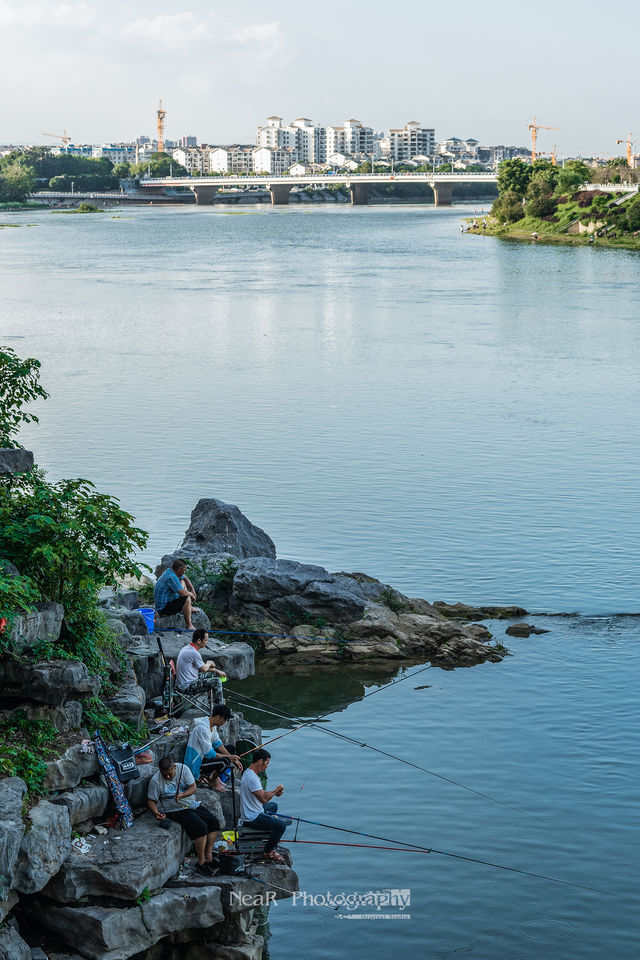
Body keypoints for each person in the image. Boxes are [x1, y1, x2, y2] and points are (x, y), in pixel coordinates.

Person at [147, 756, 220, 876]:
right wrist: (156, 812)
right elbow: (151, 800)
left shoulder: (183, 769)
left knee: (213, 822)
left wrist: (182, 795)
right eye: (165, 775)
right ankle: (201, 863)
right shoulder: (156, 781)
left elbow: (193, 787)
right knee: (200, 827)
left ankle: (209, 856)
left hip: (191, 804)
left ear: (174, 767)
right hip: (174, 809)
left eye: (170, 774)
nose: (168, 777)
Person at [240, 748, 288, 864]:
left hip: (254, 809)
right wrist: (276, 789)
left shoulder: (249, 773)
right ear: (260, 761)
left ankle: (272, 835)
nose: (267, 766)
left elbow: (261, 794)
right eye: (267, 763)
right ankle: (268, 850)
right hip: (252, 817)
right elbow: (264, 799)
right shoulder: (252, 778)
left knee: (273, 806)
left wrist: (274, 793)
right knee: (281, 825)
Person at [184, 704, 243, 792]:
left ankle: (214, 776)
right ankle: (213, 780)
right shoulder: (202, 729)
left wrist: (234, 759)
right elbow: (210, 753)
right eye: (224, 720)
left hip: (204, 756)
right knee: (224, 761)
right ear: (218, 717)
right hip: (197, 762)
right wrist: (230, 758)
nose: (225, 722)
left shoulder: (212, 726)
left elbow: (218, 744)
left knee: (230, 749)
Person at [175, 629, 227, 700]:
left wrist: (217, 671)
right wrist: (209, 662)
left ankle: (210, 700)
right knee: (216, 682)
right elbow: (204, 669)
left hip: (186, 682)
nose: (206, 642)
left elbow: (202, 667)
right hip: (187, 687)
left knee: (213, 675)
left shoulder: (187, 648)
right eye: (206, 640)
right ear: (199, 641)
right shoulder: (193, 653)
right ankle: (219, 707)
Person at [154, 559, 197, 630]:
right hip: (163, 609)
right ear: (179, 569)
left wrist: (192, 589)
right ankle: (189, 625)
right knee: (187, 598)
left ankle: (188, 607)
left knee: (182, 581)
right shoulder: (171, 577)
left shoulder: (170, 571)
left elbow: (185, 578)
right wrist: (192, 595)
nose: (185, 572)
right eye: (184, 570)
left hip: (169, 600)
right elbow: (183, 593)